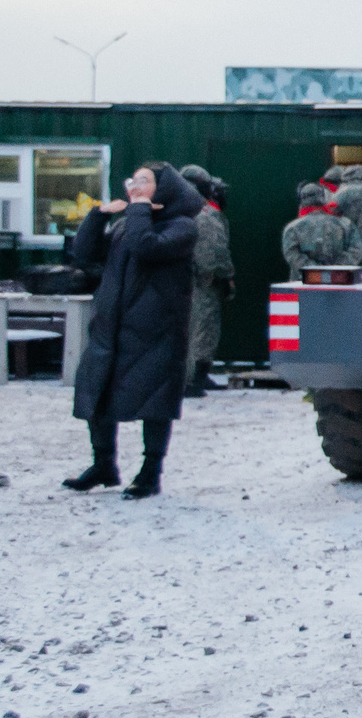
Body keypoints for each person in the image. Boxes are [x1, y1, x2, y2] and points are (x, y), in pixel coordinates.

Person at [63, 163, 204, 499]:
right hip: (112, 326)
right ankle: (103, 465)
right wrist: (98, 216)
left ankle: (150, 472)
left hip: (156, 330)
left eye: (145, 181)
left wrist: (139, 209)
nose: (136, 187)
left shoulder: (183, 227)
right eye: (133, 180)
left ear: (165, 188)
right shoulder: (128, 224)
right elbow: (84, 254)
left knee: (154, 400)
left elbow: (147, 247)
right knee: (97, 392)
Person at [179, 165, 235, 396]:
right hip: (202, 282)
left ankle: (190, 377)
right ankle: (193, 380)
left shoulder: (175, 210)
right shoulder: (206, 216)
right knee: (203, 330)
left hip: (178, 283)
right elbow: (214, 254)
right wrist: (228, 277)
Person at [281, 179, 362, 276]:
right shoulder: (345, 224)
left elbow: (292, 253)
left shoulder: (292, 228)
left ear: (302, 200)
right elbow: (356, 250)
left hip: (304, 283)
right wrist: (338, 268)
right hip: (340, 281)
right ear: (324, 197)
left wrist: (314, 270)